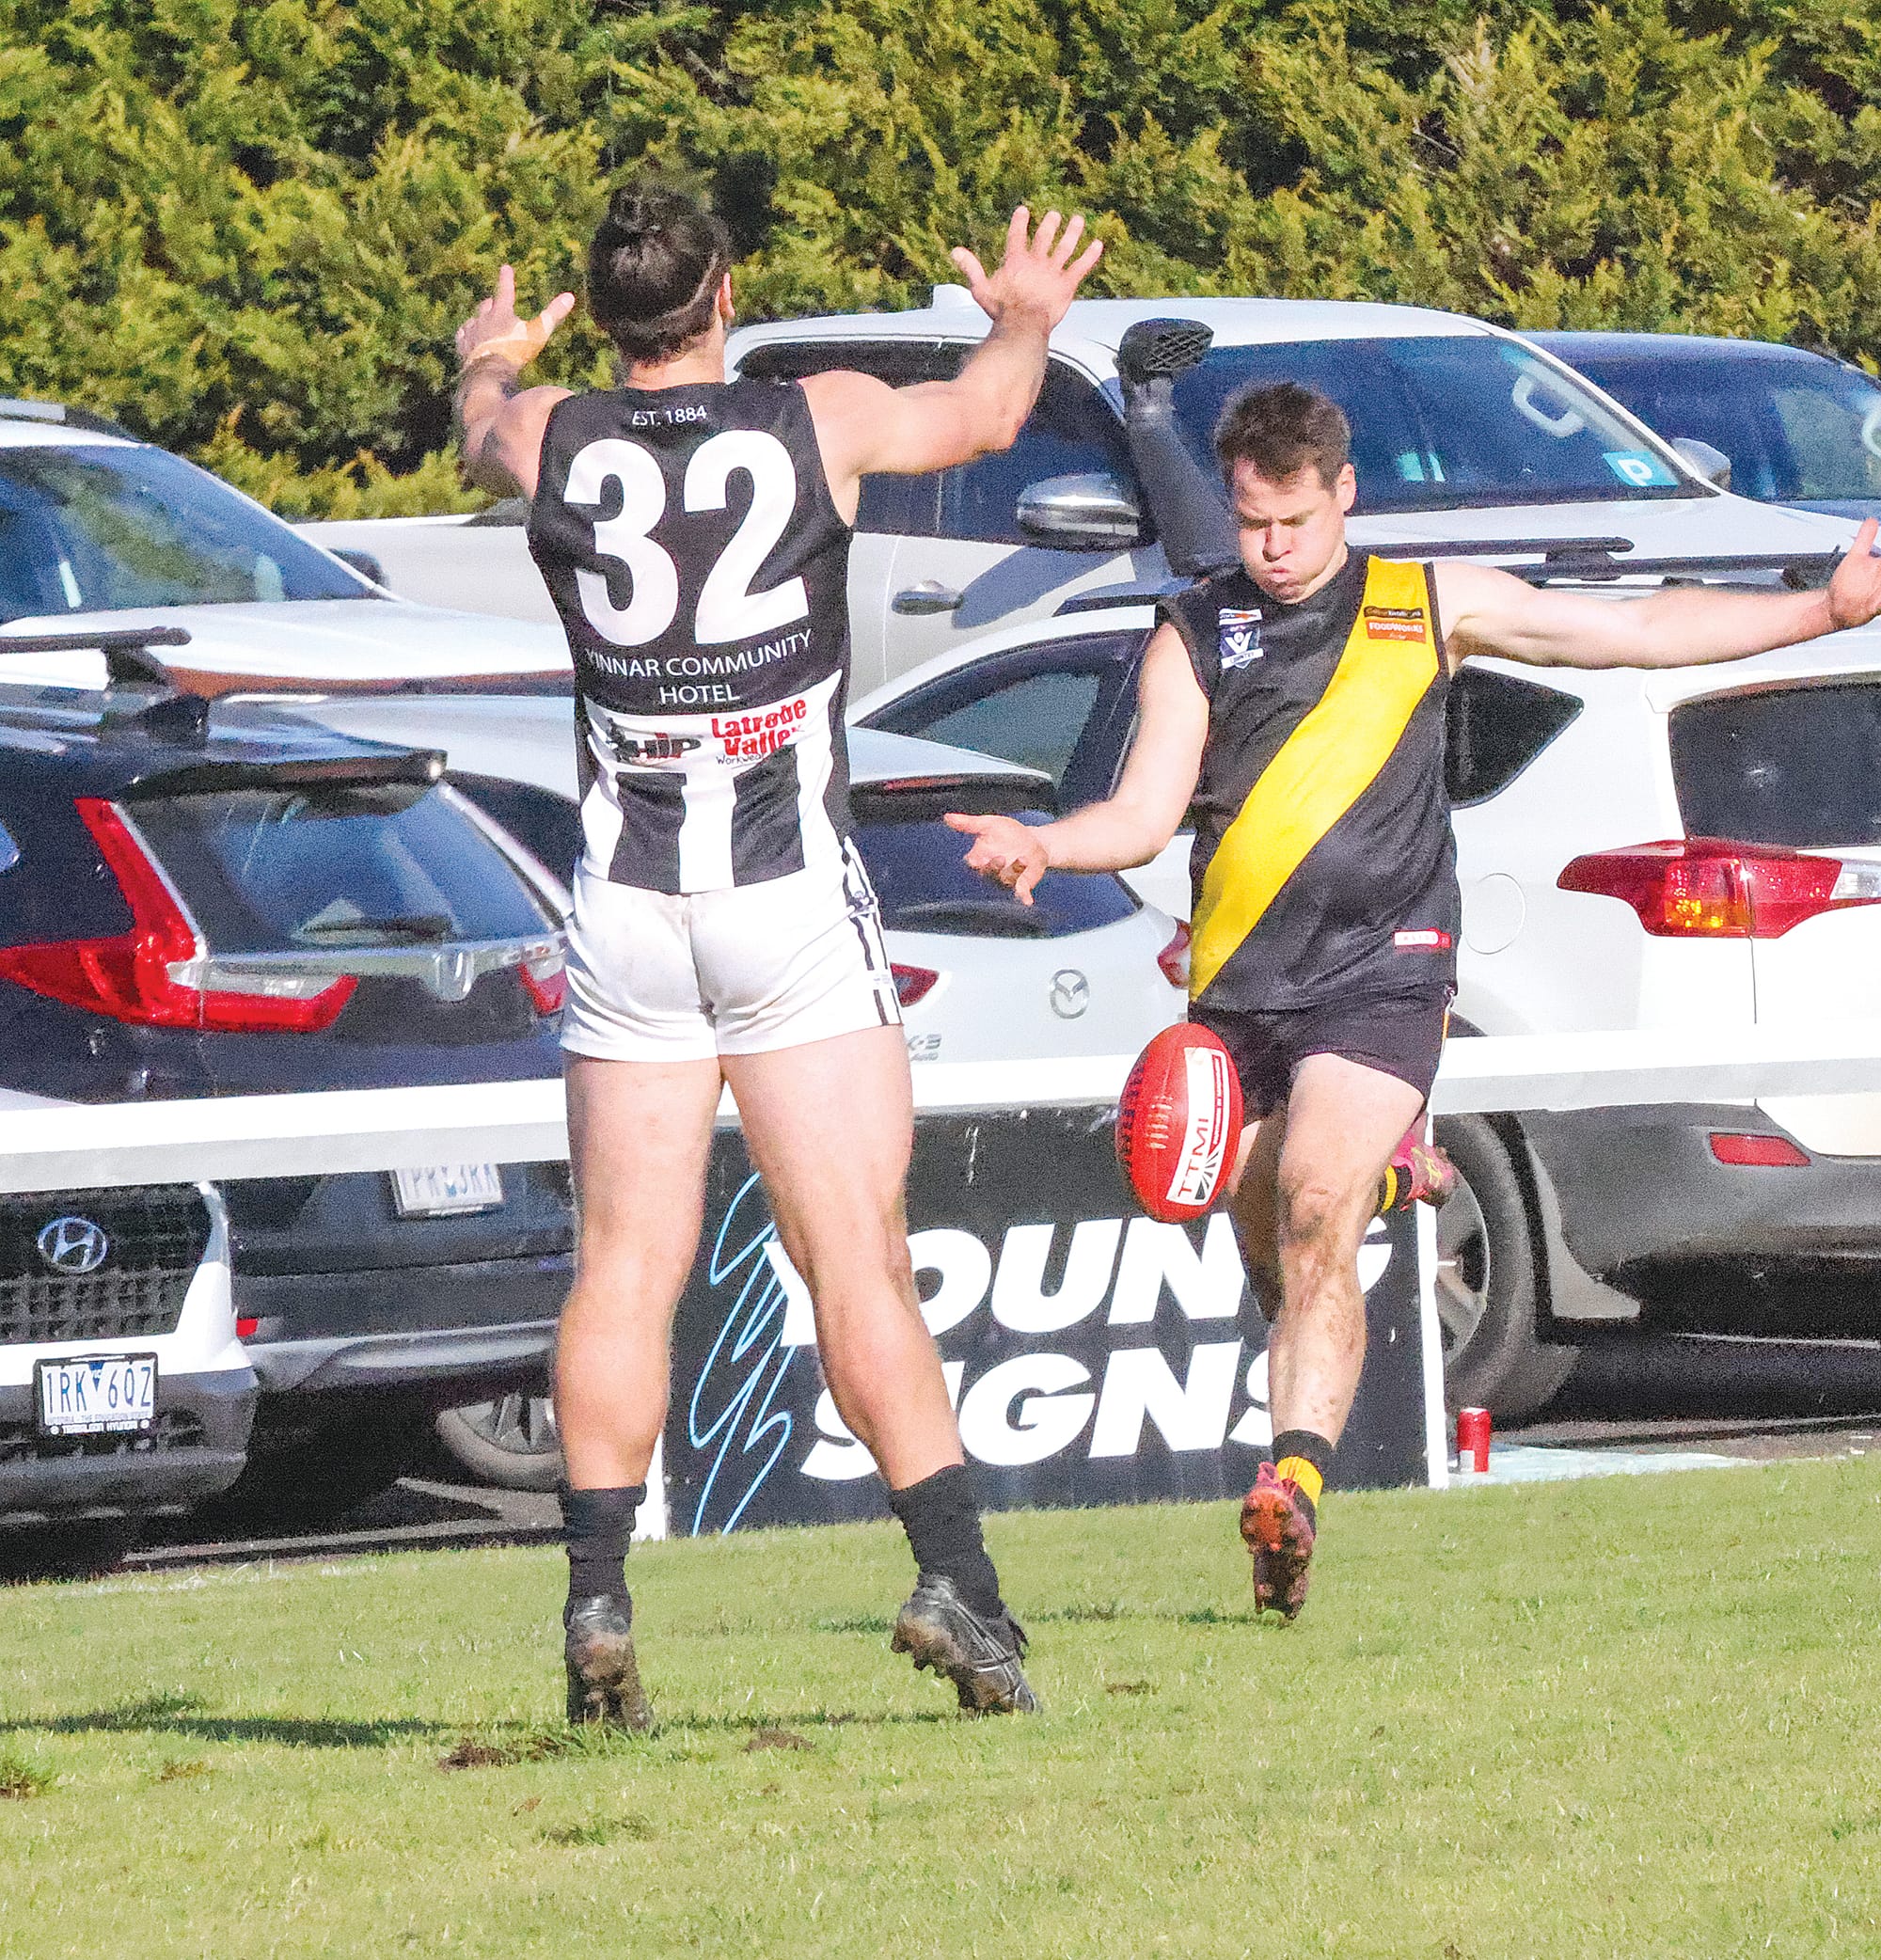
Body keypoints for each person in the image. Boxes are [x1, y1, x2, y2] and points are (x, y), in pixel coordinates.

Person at [950, 380, 1881, 1620]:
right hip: (1241, 985)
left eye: (1294, 521)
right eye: (1250, 523)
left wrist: (1820, 610)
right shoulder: (1196, 632)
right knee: (1269, 1231)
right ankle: (1395, 1180)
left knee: (1314, 1203)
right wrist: (1047, 843)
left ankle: (1292, 1486)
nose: (1273, 548)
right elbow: (1139, 812)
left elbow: (1632, 629)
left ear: (1344, 494)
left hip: (1384, 973)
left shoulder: (1424, 604)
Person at [451, 186, 1101, 1725]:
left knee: (626, 1268)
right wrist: (1024, 318)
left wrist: (489, 353)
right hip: (786, 891)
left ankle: (599, 1599)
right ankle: (958, 1582)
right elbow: (991, 415)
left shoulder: (551, 436)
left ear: (610, 315)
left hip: (628, 901)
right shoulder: (818, 416)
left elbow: (481, 423)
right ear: (726, 296)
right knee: (854, 1258)